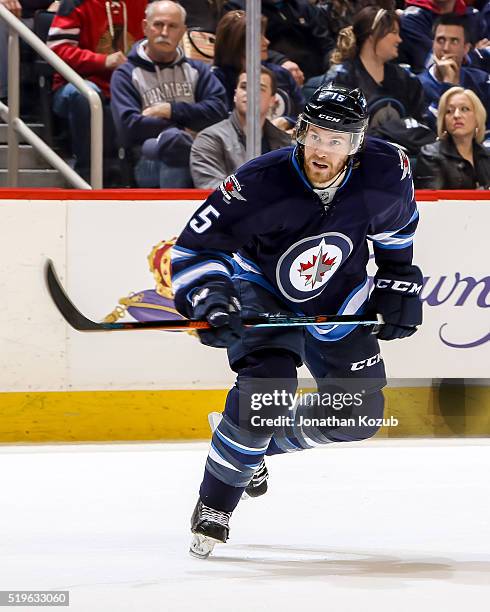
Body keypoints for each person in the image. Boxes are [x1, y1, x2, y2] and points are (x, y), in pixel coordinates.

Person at [170, 83, 423, 558]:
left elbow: (396, 233)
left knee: (357, 415)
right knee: (267, 393)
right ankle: (215, 503)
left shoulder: (387, 172)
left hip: (339, 296)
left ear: (357, 143)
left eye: (337, 140)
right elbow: (195, 249)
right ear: (301, 132)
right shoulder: (259, 183)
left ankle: (250, 448)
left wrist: (398, 280)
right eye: (317, 135)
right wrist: (211, 298)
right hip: (263, 292)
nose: (323, 150)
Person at [110, 0, 228, 188]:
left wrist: (170, 110)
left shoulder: (197, 70)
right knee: (175, 143)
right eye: (158, 24)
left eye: (172, 26)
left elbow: (218, 111)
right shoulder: (125, 74)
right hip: (147, 160)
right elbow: (129, 127)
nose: (164, 32)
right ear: (145, 27)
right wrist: (183, 130)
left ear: (182, 31)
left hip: (197, 154)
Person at [304, 6, 432, 154]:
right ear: (373, 35)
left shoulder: (406, 79)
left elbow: (419, 124)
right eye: (394, 32)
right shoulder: (341, 78)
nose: (399, 39)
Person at [47, 0, 147, 183]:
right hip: (75, 87)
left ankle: (138, 181)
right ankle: (88, 175)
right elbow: (57, 49)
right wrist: (102, 61)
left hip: (127, 89)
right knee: (86, 95)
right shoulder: (76, 3)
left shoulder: (145, 4)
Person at [190, 67, 291, 189]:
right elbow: (213, 191)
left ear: (272, 100)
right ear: (235, 95)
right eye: (244, 87)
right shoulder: (209, 139)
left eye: (260, 89)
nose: (250, 92)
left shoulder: (286, 144)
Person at [212, 10, 305, 128]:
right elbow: (220, 122)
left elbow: (306, 116)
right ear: (237, 43)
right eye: (258, 37)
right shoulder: (217, 79)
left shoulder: (281, 74)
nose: (267, 42)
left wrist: (288, 121)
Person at [223, 0, 334, 82]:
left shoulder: (304, 7)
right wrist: (279, 61)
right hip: (271, 75)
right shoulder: (239, 8)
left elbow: (326, 44)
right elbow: (242, 45)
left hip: (315, 76)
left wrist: (334, 64)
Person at [418, 14, 490, 131]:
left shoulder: (482, 81)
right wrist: (448, 83)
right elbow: (443, 131)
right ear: (433, 44)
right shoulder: (416, 86)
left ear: (466, 48)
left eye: (454, 41)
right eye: (440, 40)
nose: (446, 48)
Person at [414, 86, 490, 188]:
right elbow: (434, 201)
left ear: (477, 118)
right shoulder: (430, 155)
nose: (456, 115)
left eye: (464, 109)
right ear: (444, 121)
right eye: (449, 111)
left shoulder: (487, 155)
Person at [398, 0, 489, 73]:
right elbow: (438, 63)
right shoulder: (411, 19)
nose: (446, 46)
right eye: (441, 41)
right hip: (429, 89)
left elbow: (486, 59)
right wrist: (474, 53)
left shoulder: (473, 15)